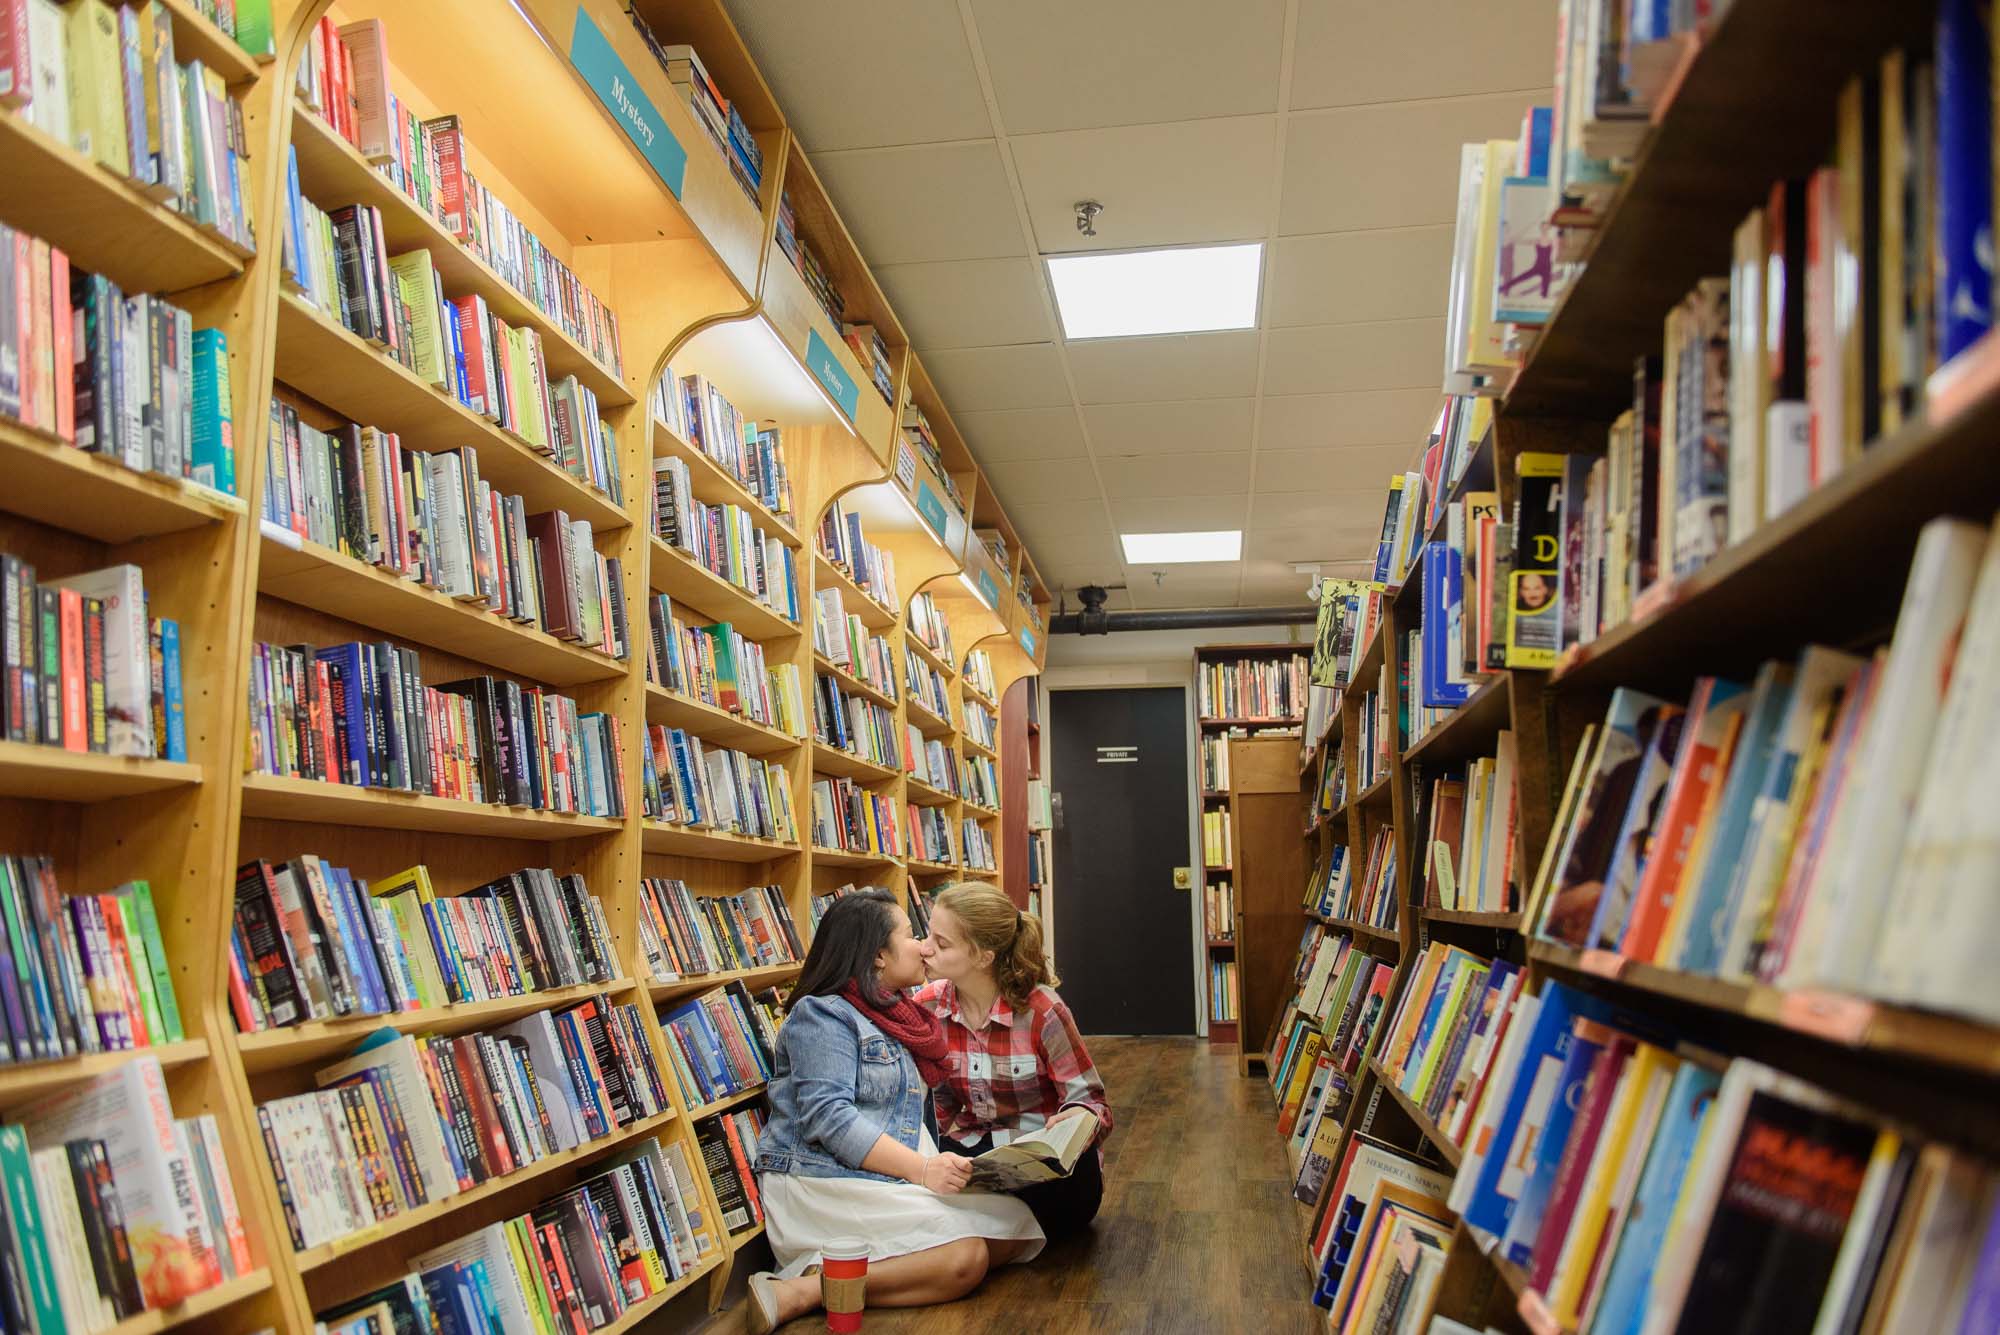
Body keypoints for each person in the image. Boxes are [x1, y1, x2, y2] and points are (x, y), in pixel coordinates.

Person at [747, 891, 1043, 1334]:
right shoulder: (822, 1014)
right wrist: (922, 1170)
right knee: (966, 1258)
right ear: (878, 956)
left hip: (880, 1177)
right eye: (910, 935)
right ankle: (806, 1290)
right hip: (825, 1182)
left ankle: (841, 1269)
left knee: (1020, 1228)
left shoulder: (897, 1013)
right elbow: (830, 1119)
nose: (923, 947)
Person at [914, 882, 1112, 1245]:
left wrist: (1079, 1116)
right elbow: (937, 1106)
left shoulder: (1043, 1011)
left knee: (1072, 1187)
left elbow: (1093, 1103)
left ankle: (981, 1230)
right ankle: (994, 1230)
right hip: (976, 1153)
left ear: (983, 957)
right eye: (928, 935)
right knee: (926, 1179)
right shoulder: (927, 1006)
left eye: (941, 944)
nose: (924, 949)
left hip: (1041, 1162)